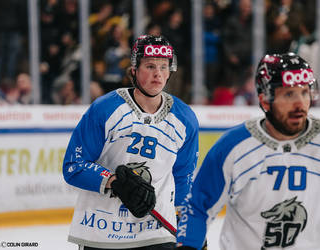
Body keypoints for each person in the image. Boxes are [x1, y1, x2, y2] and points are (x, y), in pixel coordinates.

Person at [62, 34, 199, 249]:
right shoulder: (105, 109)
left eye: (164, 67)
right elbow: (73, 166)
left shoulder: (185, 119)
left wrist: (189, 226)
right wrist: (114, 181)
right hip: (101, 229)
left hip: (156, 231)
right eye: (150, 66)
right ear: (134, 70)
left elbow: (183, 177)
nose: (158, 74)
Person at [176, 52, 320, 250]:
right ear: (265, 100)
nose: (300, 104)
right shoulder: (232, 146)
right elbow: (198, 207)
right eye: (289, 94)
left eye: (304, 92)